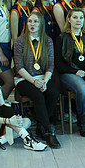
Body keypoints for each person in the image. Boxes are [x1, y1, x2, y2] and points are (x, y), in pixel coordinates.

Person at [13, 11, 61, 148]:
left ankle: (41, 126)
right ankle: (48, 131)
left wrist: (45, 81)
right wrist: (34, 81)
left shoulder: (47, 40)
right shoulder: (20, 41)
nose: (32, 24)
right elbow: (19, 67)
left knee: (53, 92)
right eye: (30, 21)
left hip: (42, 77)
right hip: (24, 78)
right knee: (38, 95)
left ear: (41, 24)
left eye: (36, 21)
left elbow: (50, 65)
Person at [55, 8, 85, 137]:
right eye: (75, 17)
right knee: (84, 90)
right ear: (69, 20)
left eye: (81, 18)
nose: (78, 20)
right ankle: (82, 123)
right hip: (69, 73)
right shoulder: (62, 37)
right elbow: (58, 62)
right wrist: (75, 71)